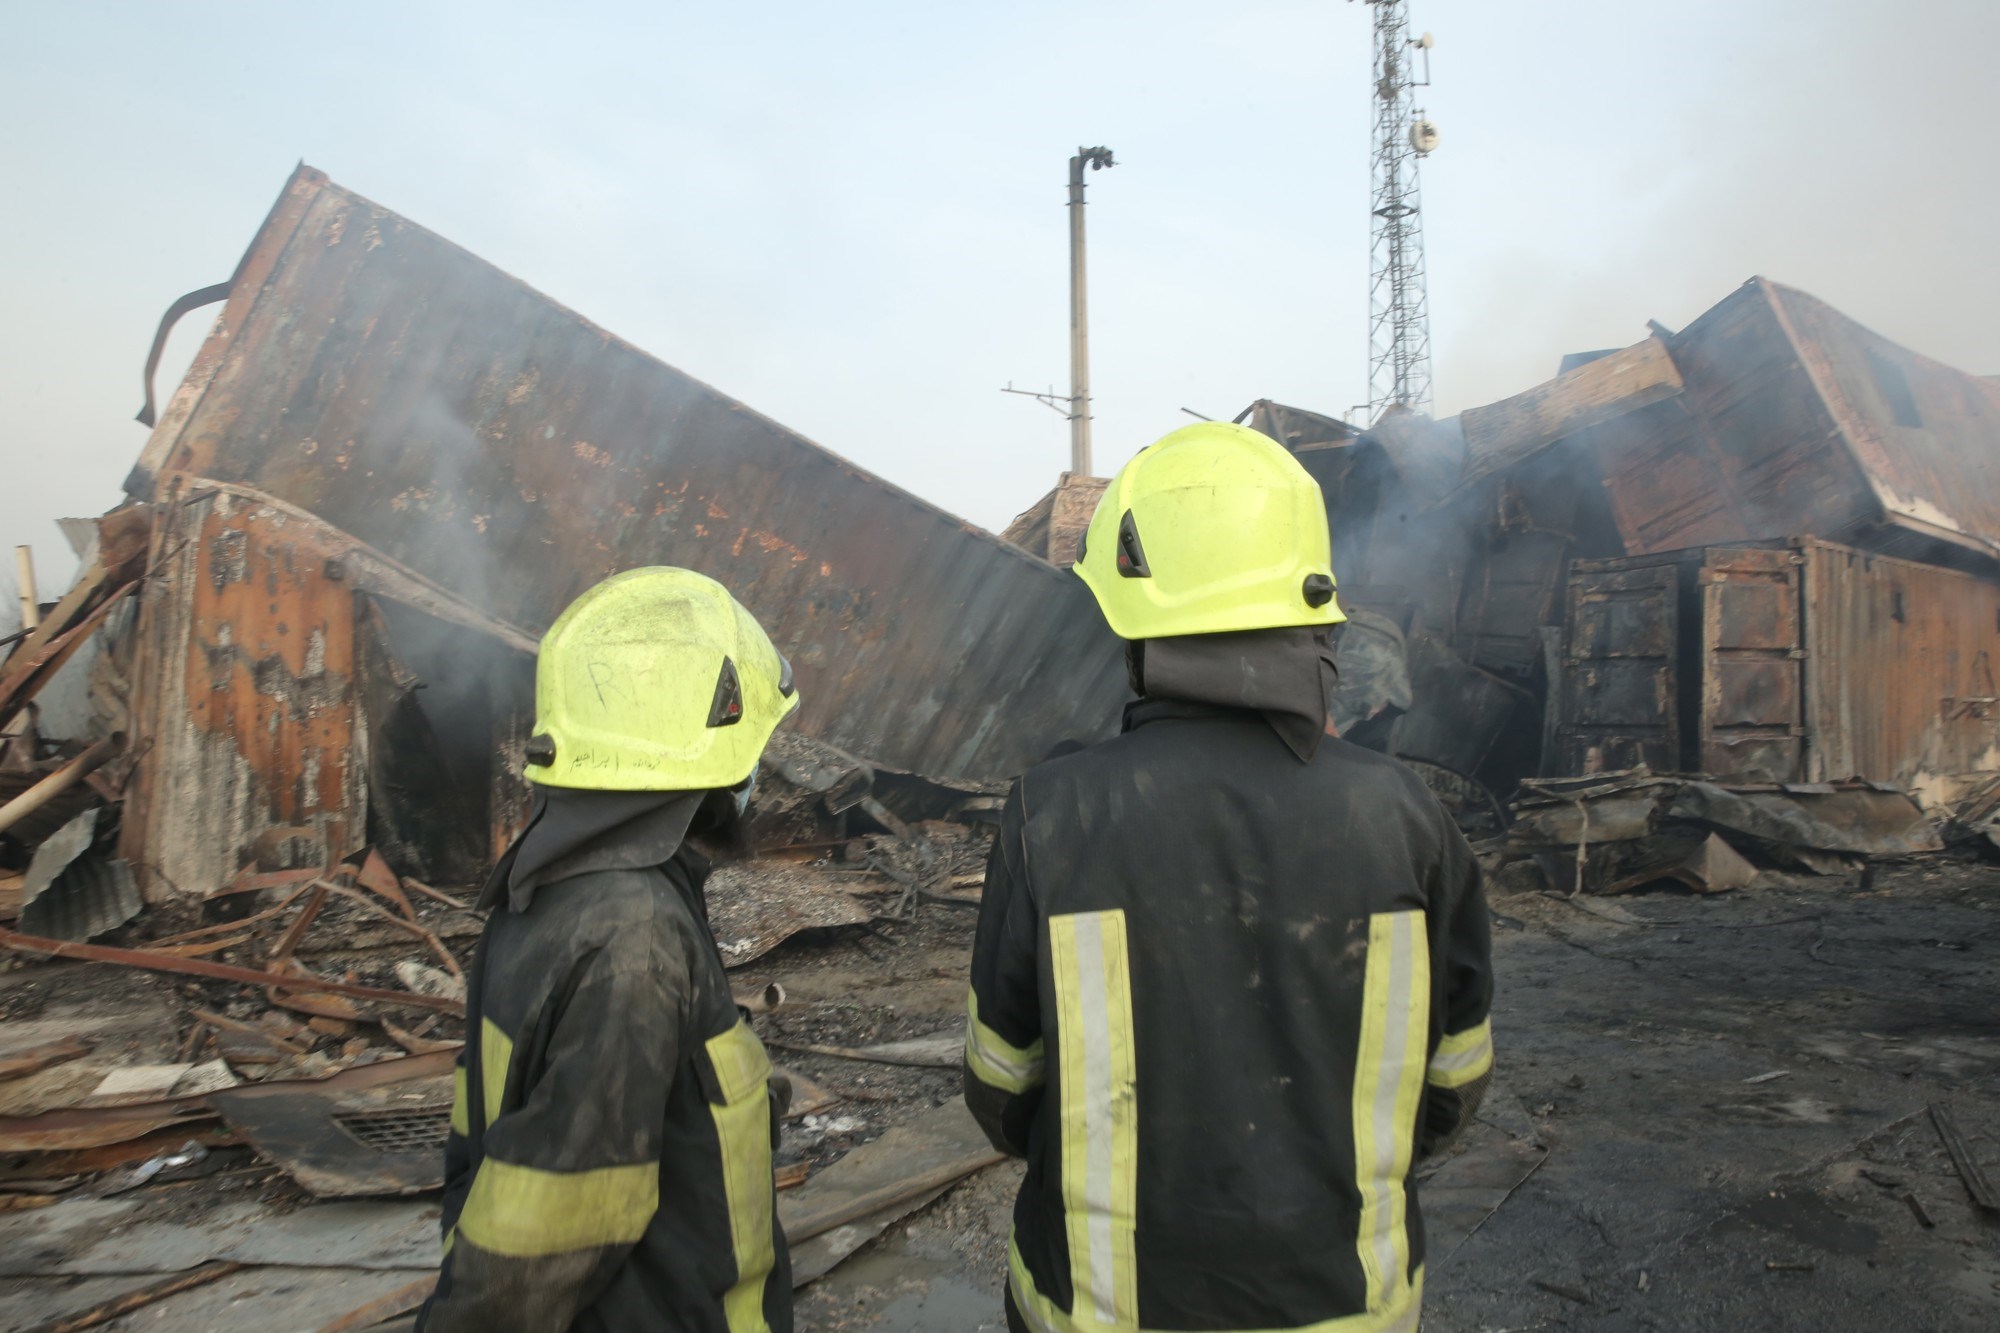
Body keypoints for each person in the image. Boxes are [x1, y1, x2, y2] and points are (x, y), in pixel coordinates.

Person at [963, 422, 1494, 1333]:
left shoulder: (1052, 814)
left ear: (1132, 622)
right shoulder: (1407, 818)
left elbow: (1003, 1085)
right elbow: (1453, 1079)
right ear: (1312, 607)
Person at [420, 567, 797, 1333]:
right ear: (710, 753)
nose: (757, 772)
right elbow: (541, 1245)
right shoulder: (635, 937)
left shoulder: (547, 890)